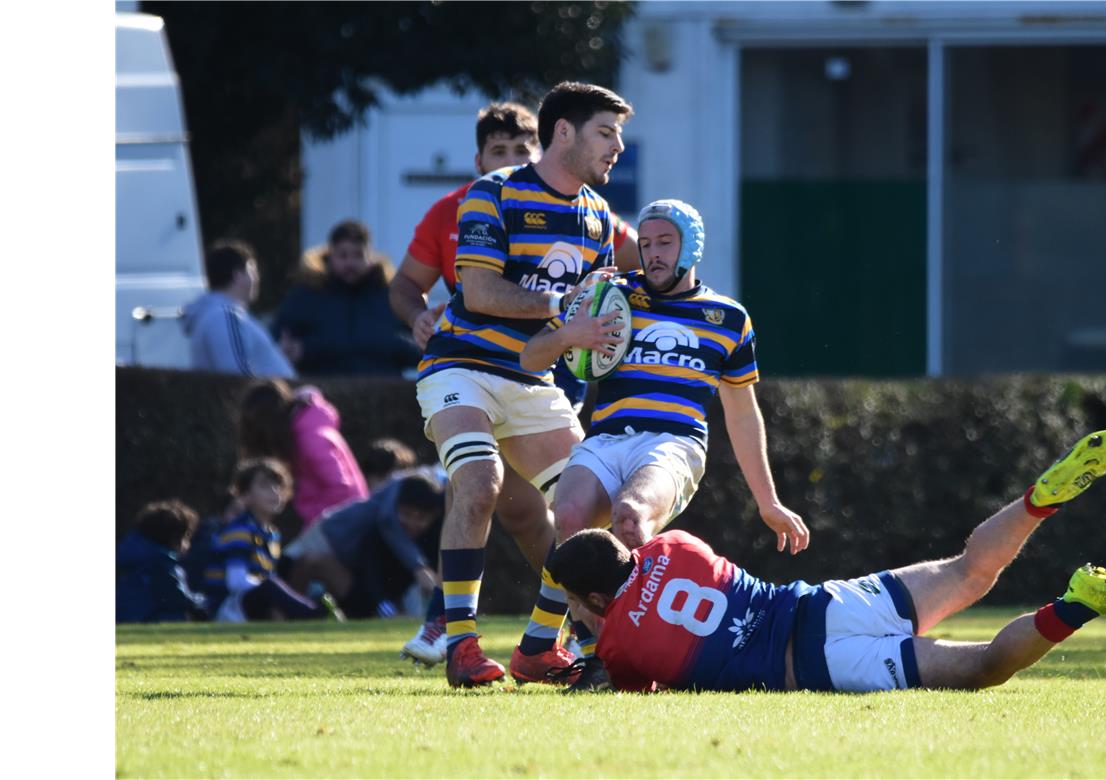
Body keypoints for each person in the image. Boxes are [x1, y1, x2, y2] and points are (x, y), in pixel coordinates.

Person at [549, 430, 1106, 693]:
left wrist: (593, 641)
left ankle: (1079, 603)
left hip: (821, 662)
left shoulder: (619, 646)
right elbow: (659, 587)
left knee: (985, 667)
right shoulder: (675, 546)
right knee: (969, 571)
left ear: (597, 601)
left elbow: (635, 676)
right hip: (826, 602)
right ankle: (1036, 505)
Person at [507, 198, 810, 688]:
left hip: (674, 444)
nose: (652, 254)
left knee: (631, 516)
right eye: (645, 244)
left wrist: (768, 501)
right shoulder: (611, 296)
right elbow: (530, 356)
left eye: (665, 242)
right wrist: (571, 331)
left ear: (691, 246)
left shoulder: (727, 317)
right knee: (567, 519)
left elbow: (742, 413)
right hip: (605, 438)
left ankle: (631, 654)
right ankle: (594, 652)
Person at [413, 81, 633, 687]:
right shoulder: (493, 193)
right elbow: (480, 292)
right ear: (564, 132)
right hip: (461, 367)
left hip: (532, 378)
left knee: (586, 506)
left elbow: (626, 282)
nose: (618, 147)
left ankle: (538, 646)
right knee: (478, 485)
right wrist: (566, 305)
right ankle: (460, 646)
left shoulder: (597, 217)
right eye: (606, 133)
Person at [283, 473, 443, 619]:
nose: (413, 523)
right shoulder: (390, 510)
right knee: (288, 568)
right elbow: (386, 521)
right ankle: (286, 616)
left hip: (357, 576)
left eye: (421, 518)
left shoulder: (428, 533)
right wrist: (418, 566)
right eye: (407, 514)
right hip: (330, 540)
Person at [200, 459, 342, 622]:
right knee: (271, 587)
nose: (274, 492)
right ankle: (314, 614)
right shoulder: (239, 532)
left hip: (250, 604)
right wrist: (271, 588)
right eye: (265, 486)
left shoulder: (272, 534)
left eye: (278, 486)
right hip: (228, 608)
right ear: (245, 496)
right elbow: (235, 581)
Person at [275, 220, 420, 376]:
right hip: (323, 394)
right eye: (343, 255)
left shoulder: (393, 297)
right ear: (330, 257)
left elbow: (419, 350)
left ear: (371, 258)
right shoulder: (305, 297)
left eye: (358, 255)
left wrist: (393, 343)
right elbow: (277, 343)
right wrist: (297, 351)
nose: (350, 263)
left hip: (384, 394)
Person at [238, 378, 368, 530]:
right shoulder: (302, 431)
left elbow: (341, 489)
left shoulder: (310, 440)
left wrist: (311, 520)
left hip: (345, 524)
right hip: (337, 520)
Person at [183, 240, 296, 378]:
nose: (257, 278)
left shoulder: (217, 315)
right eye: (252, 271)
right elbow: (238, 378)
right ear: (237, 275)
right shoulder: (225, 316)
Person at [116, 500, 209, 623]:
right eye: (187, 537)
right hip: (151, 619)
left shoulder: (130, 557)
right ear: (175, 538)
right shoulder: (163, 565)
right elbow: (177, 599)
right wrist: (201, 601)